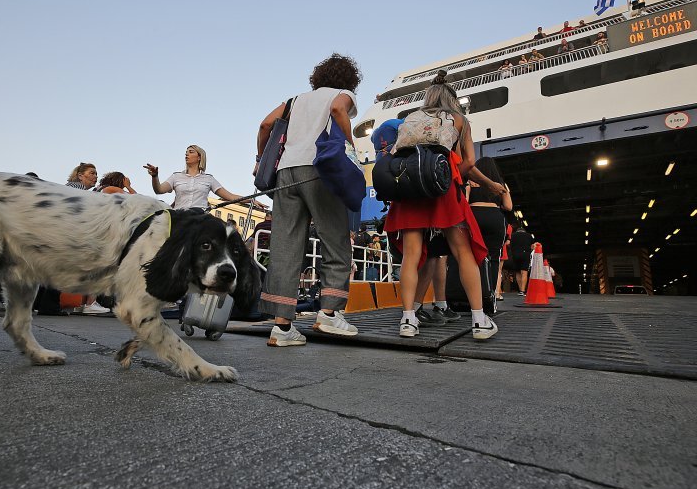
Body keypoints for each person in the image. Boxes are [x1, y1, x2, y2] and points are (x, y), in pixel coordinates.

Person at [383, 71, 506, 340]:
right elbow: (469, 163)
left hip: (411, 189)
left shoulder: (409, 119)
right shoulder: (459, 120)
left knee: (411, 256)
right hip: (443, 191)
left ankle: (407, 320)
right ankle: (479, 320)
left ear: (427, 97)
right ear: (452, 99)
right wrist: (449, 177)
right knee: (464, 253)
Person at [255, 53, 362, 346]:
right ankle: (328, 313)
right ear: (349, 79)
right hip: (320, 170)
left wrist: (259, 159)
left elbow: (265, 125)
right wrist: (351, 148)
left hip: (285, 173)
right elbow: (339, 109)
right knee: (335, 238)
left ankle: (282, 327)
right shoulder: (344, 94)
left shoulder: (294, 101)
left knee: (285, 246)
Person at [144, 145, 263, 210]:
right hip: (180, 217)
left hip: (200, 217)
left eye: (191, 152)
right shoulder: (176, 176)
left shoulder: (209, 179)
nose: (187, 154)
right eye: (186, 152)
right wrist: (155, 176)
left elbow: (231, 196)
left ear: (199, 157)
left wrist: (251, 200)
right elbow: (158, 190)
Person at [64, 163, 110, 315]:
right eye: (92, 173)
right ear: (80, 175)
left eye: (96, 174)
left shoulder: (79, 190)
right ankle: (89, 303)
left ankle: (83, 303)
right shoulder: (76, 189)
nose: (95, 176)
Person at [467, 157, 513, 306]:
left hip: (474, 217)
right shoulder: (500, 185)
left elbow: (464, 203)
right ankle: (490, 296)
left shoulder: (471, 181)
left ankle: (472, 297)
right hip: (495, 218)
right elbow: (508, 207)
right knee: (494, 258)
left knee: (471, 257)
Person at [510, 226, 534, 295]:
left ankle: (520, 289)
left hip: (515, 255)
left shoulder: (513, 235)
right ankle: (522, 291)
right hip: (525, 254)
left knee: (517, 272)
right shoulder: (529, 235)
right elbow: (532, 246)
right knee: (524, 272)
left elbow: (510, 245)